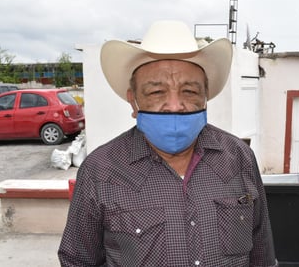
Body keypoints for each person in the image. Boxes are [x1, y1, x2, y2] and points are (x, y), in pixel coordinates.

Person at [58, 20, 278, 267]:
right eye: (156, 92)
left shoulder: (239, 158)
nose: (175, 105)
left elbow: (262, 254)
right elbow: (78, 260)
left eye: (190, 91)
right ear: (133, 101)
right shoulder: (100, 171)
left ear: (205, 97)